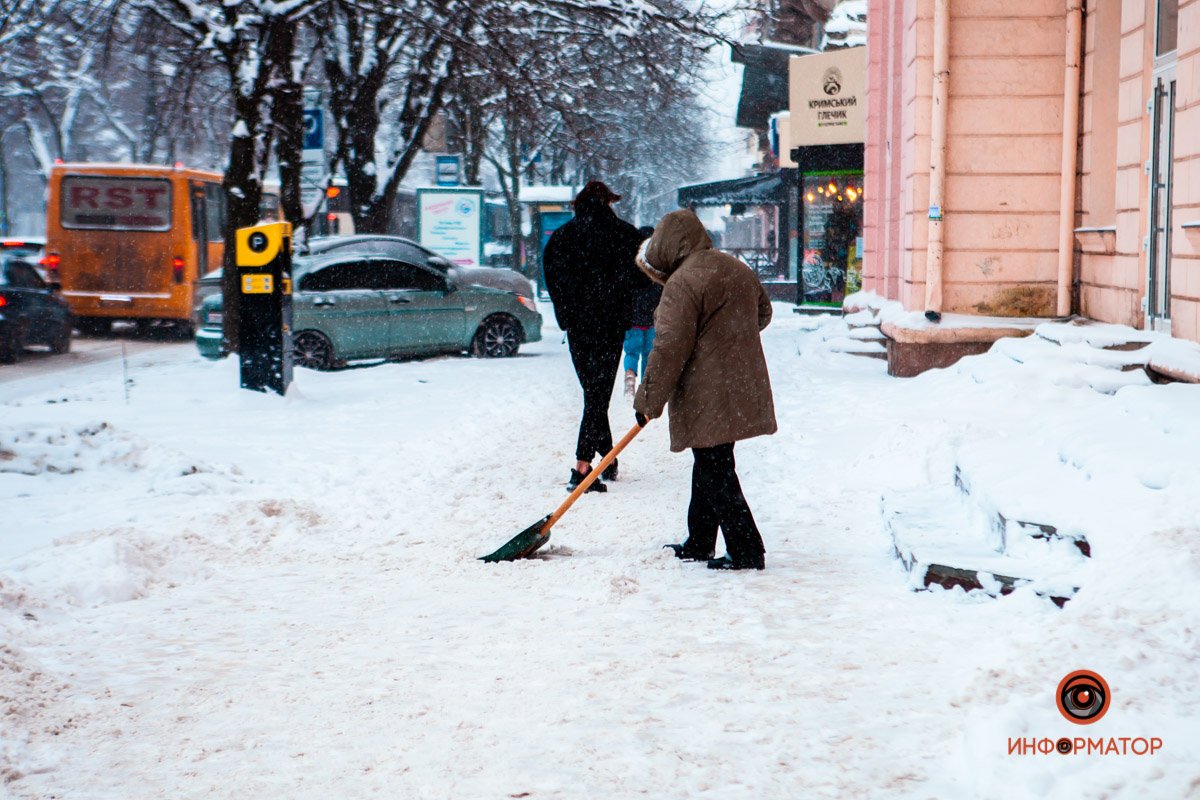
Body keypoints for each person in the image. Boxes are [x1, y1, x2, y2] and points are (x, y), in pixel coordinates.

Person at [633, 209, 777, 570]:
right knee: (710, 459)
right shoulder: (735, 267)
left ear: (667, 247)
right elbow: (763, 313)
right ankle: (699, 540)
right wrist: (727, 339)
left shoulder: (682, 283)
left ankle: (746, 550)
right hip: (739, 381)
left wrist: (649, 400)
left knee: (716, 467)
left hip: (706, 387)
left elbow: (669, 346)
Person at [543, 180, 643, 492]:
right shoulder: (626, 235)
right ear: (608, 203)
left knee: (593, 392)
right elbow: (642, 278)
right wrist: (620, 295)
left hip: (578, 327)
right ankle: (582, 469)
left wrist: (567, 312)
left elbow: (552, 278)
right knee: (597, 394)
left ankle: (607, 459)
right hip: (610, 324)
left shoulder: (561, 238)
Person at [623, 225, 663, 399]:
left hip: (632, 320)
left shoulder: (631, 264)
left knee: (631, 352)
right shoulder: (657, 266)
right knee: (649, 353)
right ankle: (645, 387)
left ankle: (629, 376)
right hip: (651, 319)